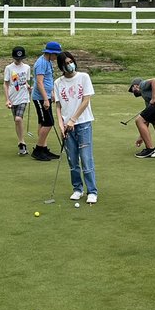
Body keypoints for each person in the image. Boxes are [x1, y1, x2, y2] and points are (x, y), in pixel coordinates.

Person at [54, 50, 98, 204]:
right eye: (66, 63)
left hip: (83, 123)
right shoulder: (58, 83)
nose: (69, 65)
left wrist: (73, 119)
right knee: (72, 161)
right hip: (67, 126)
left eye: (71, 62)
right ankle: (77, 189)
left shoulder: (83, 77)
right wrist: (61, 124)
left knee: (86, 159)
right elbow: (58, 106)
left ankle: (92, 191)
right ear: (61, 66)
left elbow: (85, 100)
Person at [30, 41, 62, 161]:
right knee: (48, 123)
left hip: (46, 96)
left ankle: (44, 149)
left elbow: (49, 80)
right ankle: (38, 150)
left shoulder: (48, 61)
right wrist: (45, 99)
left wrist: (52, 93)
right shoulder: (41, 63)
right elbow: (39, 82)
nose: (56, 57)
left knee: (43, 122)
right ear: (50, 53)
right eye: (56, 54)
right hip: (40, 98)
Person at [3, 46, 32, 156]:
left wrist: (28, 86)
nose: (19, 60)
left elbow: (25, 81)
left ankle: (22, 142)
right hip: (13, 97)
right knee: (16, 121)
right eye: (17, 58)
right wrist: (7, 99)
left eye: (20, 58)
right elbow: (6, 84)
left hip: (23, 97)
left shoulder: (27, 68)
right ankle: (21, 142)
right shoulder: (9, 68)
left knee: (18, 118)